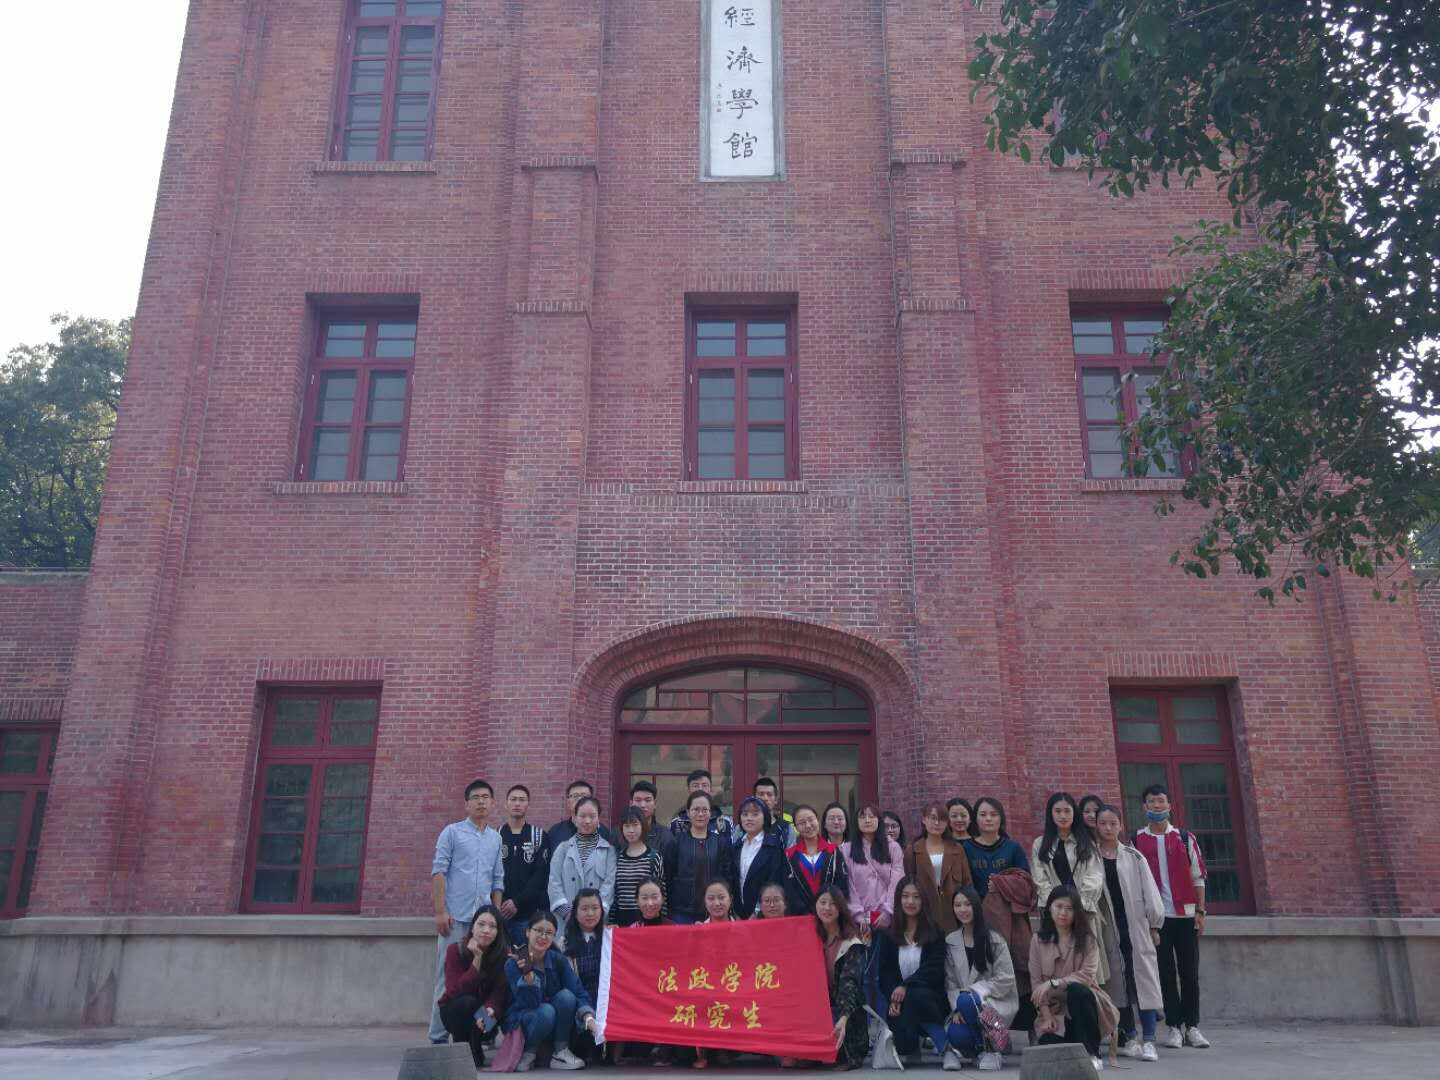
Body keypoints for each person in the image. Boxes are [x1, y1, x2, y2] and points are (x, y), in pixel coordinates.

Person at [1131, 783, 1210, 1050]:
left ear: (1169, 805)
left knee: (1190, 973)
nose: (1157, 805)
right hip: (1157, 919)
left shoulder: (1185, 838)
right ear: (1144, 807)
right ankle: (1174, 1027)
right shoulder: (1136, 840)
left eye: (1161, 801)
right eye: (1152, 801)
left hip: (1185, 915)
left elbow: (1198, 876)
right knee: (1165, 974)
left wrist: (1200, 911)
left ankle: (1192, 1026)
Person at [429, 779, 506, 1044]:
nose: (481, 802)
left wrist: (496, 917)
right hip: (455, 918)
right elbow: (439, 871)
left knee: (487, 978)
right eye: (476, 797)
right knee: (447, 978)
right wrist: (440, 911)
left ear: (493, 803)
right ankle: (438, 1037)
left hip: (483, 923)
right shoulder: (451, 833)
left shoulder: (496, 838)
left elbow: (498, 879)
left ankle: (481, 1035)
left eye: (486, 797)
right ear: (466, 804)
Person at [1095, 804, 1164, 1062]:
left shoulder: (1134, 857)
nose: (1108, 828)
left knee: (1144, 981)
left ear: (1120, 825)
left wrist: (1154, 925)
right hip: (1108, 928)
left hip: (1135, 925)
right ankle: (1129, 1037)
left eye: (1113, 823)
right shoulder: (1091, 858)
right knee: (1117, 982)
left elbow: (1151, 893)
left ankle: (1150, 1039)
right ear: (1097, 826)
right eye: (1103, 823)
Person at [1029, 885, 1119, 1073]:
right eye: (1059, 906)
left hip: (1084, 1005)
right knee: (1048, 1044)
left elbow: (1086, 976)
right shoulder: (1037, 940)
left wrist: (1055, 982)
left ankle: (1092, 1053)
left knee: (1077, 991)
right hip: (1055, 1011)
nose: (1063, 913)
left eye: (1069, 908)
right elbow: (1036, 984)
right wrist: (1046, 1016)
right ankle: (1073, 1046)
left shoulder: (1088, 940)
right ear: (1049, 907)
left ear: (1076, 912)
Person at [504, 909, 598, 1072]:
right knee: (546, 1011)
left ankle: (560, 1051)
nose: (543, 937)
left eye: (549, 933)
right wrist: (528, 977)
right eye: (538, 931)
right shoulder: (513, 964)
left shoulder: (558, 960)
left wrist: (588, 1017)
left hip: (554, 1024)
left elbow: (578, 991)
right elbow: (528, 1003)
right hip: (525, 1021)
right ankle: (528, 1052)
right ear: (527, 932)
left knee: (566, 997)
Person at [1031, 792, 1108, 981]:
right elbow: (1040, 879)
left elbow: (1094, 876)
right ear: (1050, 814)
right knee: (1056, 961)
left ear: (1074, 813)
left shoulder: (1086, 842)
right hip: (1054, 913)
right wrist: (1056, 906)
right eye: (1058, 811)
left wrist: (1076, 904)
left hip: (1083, 910)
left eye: (1067, 811)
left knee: (1086, 962)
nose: (1063, 816)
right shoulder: (1040, 844)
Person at [874, 876, 949, 1066]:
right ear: (898, 899)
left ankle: (946, 1048)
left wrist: (906, 987)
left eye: (916, 897)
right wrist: (893, 997)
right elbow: (885, 973)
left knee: (917, 996)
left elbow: (934, 971)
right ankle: (912, 1045)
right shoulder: (889, 935)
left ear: (923, 901)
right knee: (904, 1046)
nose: (910, 901)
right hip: (900, 1003)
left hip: (931, 1001)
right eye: (905, 896)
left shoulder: (935, 933)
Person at [942, 886, 1016, 1072]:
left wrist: (975, 992)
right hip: (964, 1006)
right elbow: (950, 982)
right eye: (958, 905)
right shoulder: (951, 941)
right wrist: (958, 1009)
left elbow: (1006, 978)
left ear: (976, 906)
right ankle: (982, 1049)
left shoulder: (994, 939)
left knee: (968, 999)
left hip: (993, 1002)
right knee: (956, 1034)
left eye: (967, 904)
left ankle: (994, 1047)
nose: (963, 909)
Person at [438, 905, 510, 1069]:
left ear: (498, 932)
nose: (486, 930)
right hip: (454, 1012)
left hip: (486, 1014)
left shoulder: (503, 955)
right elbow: (454, 991)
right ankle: (460, 1051)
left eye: (492, 926)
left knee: (486, 1014)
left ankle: (477, 1045)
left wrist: (490, 1009)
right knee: (467, 1002)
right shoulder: (455, 950)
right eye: (481, 924)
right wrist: (477, 960)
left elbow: (500, 992)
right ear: (472, 927)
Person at [814, 886, 870, 1069]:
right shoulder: (810, 936)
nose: (827, 908)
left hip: (845, 1010)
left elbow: (850, 984)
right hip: (818, 1007)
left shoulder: (852, 942)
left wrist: (844, 1018)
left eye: (833, 904)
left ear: (841, 908)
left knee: (834, 1054)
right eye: (822, 902)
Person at [663, 790, 731, 923]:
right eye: (696, 810)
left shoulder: (720, 842)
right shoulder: (676, 842)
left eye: (705, 810)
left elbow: (727, 876)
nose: (700, 814)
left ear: (711, 813)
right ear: (688, 812)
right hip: (681, 911)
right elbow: (668, 876)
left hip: (714, 911)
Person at [904, 802, 973, 933]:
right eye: (933, 818)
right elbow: (907, 883)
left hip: (953, 913)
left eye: (941, 819)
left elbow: (967, 882)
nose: (937, 823)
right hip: (924, 912)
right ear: (924, 820)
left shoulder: (956, 849)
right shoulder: (913, 850)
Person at [547, 796, 616, 923]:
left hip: (596, 920)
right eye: (582, 816)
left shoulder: (609, 851)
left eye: (592, 816)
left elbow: (609, 885)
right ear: (574, 818)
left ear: (599, 818)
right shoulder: (562, 849)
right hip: (566, 921)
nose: (587, 821)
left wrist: (595, 913)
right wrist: (568, 914)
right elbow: (554, 882)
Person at [501, 784, 553, 944]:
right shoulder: (496, 835)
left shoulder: (539, 835)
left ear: (528, 804)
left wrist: (517, 902)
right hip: (500, 913)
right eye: (513, 799)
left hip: (528, 915)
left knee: (526, 957)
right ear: (506, 804)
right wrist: (501, 903)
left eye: (522, 800)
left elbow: (540, 876)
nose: (517, 803)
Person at [842, 802, 905, 933]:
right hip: (860, 918)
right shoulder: (847, 849)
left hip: (888, 916)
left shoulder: (893, 847)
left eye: (872, 816)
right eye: (862, 817)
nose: (867, 820)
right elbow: (848, 884)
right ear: (856, 822)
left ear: (879, 820)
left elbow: (897, 881)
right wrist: (860, 916)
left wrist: (888, 911)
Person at [561, 889, 607, 1064]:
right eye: (585, 908)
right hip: (579, 1002)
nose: (590, 913)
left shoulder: (610, 939)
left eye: (595, 908)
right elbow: (570, 985)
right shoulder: (564, 944)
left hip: (605, 1002)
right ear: (575, 912)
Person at [962, 796, 1030, 900]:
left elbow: (1025, 881)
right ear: (975, 818)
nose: (988, 819)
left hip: (1008, 906)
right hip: (976, 906)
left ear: (1001, 818)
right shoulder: (967, 848)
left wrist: (1002, 884)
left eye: (993, 815)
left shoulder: (1013, 847)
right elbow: (963, 883)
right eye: (983, 815)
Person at [785, 804, 850, 914]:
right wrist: (807, 912)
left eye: (811, 820)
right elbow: (790, 890)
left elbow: (841, 884)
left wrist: (827, 907)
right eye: (802, 823)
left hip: (830, 913)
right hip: (801, 916)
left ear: (818, 821)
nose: (808, 825)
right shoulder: (789, 855)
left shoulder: (833, 851)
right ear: (796, 827)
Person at [732, 796, 789, 918]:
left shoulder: (774, 846)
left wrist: (758, 911)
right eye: (745, 814)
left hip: (764, 913)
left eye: (755, 814)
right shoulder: (736, 846)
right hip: (738, 913)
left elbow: (774, 881)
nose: (749, 818)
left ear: (765, 818)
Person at [610, 806, 665, 926]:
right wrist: (611, 921)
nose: (631, 830)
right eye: (626, 826)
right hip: (622, 919)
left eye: (635, 825)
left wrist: (662, 923)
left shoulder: (654, 857)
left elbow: (661, 892)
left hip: (647, 917)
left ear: (643, 826)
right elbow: (615, 894)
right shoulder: (617, 858)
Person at [667, 769, 735, 841]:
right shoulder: (677, 822)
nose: (700, 789)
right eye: (695, 785)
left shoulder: (724, 822)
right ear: (688, 789)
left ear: (710, 789)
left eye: (704, 785)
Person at [548, 779, 614, 848]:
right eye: (575, 796)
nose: (579, 799)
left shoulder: (603, 833)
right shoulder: (555, 831)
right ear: (568, 802)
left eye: (584, 796)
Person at [629, 779, 674, 857]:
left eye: (647, 800)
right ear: (631, 803)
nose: (642, 805)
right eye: (638, 800)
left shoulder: (665, 836)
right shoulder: (618, 835)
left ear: (655, 803)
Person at [754, 776, 797, 848]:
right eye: (761, 794)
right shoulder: (742, 828)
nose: (765, 798)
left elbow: (790, 854)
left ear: (776, 800)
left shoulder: (787, 829)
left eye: (769, 795)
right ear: (754, 799)